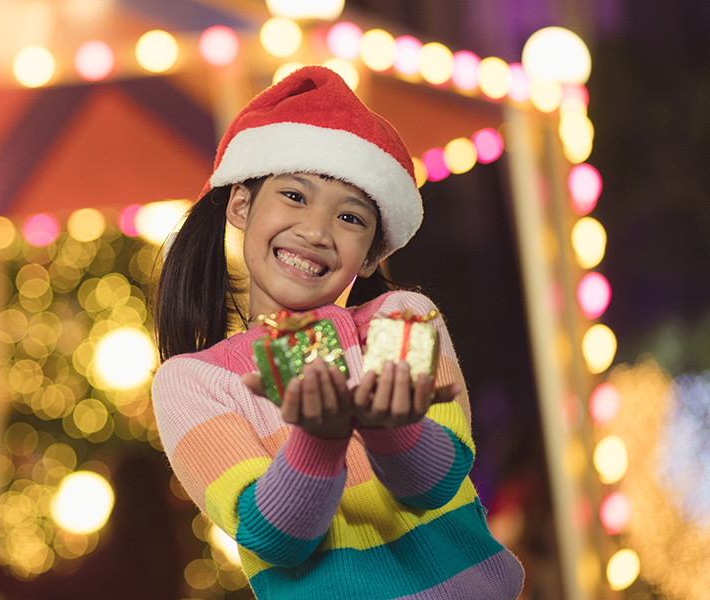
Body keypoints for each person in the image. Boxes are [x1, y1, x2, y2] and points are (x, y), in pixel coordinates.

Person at [151, 66, 525, 598]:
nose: (316, 232)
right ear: (240, 203)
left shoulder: (402, 320)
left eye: (350, 218)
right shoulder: (192, 383)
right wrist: (319, 440)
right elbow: (272, 537)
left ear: (373, 254)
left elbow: (436, 482)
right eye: (295, 196)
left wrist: (388, 428)